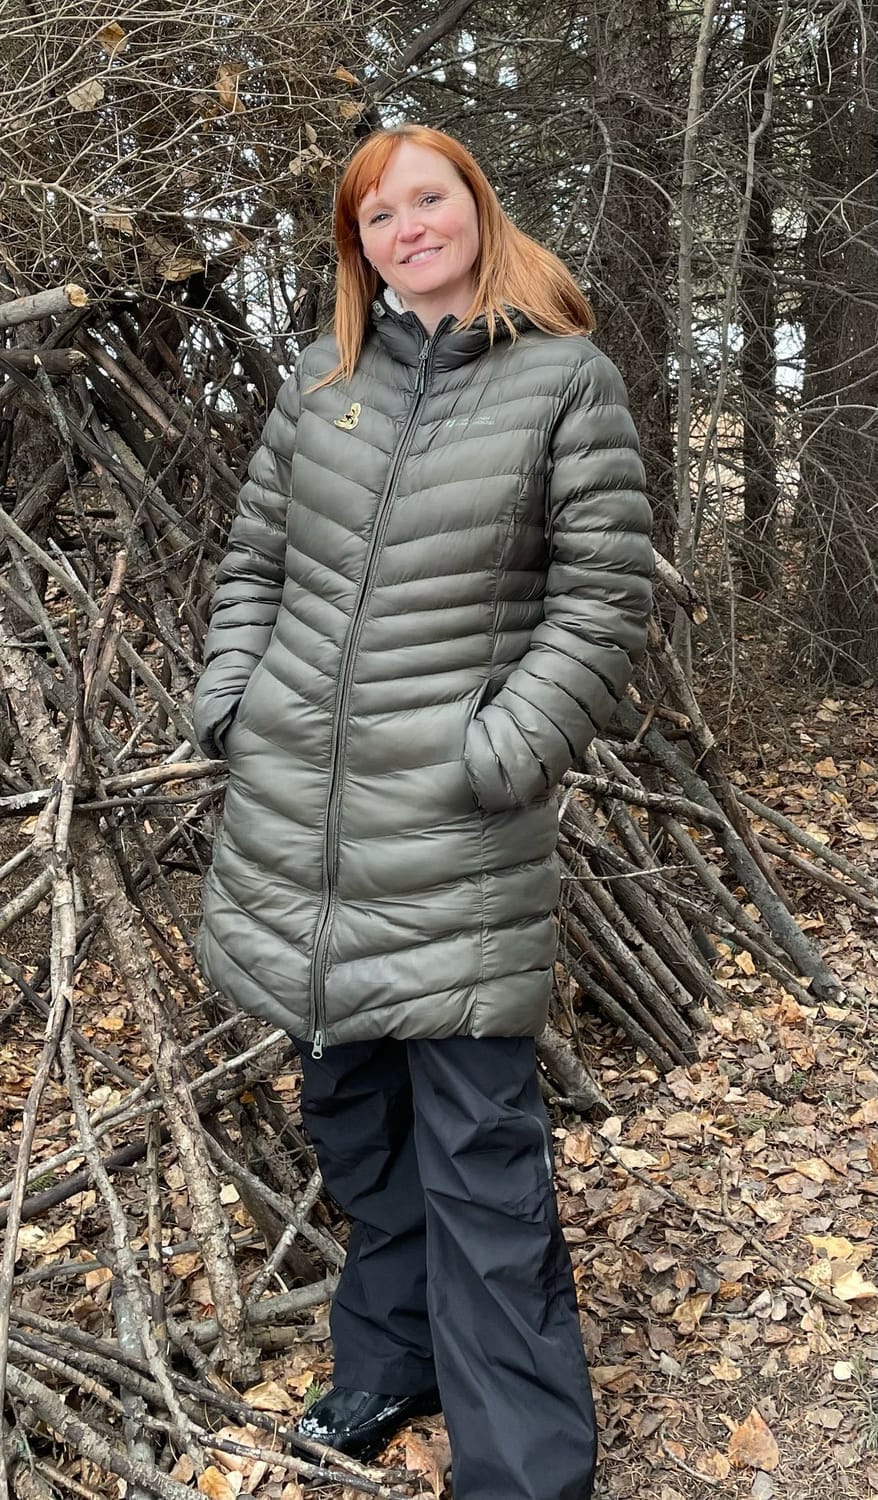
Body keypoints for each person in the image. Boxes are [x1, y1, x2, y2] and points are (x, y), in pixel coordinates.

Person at [193, 124, 653, 1500]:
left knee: (478, 1159)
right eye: (377, 215)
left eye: (428, 198)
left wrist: (500, 752)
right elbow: (254, 562)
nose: (408, 227)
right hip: (300, 839)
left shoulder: (562, 381)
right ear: (359, 247)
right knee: (359, 1131)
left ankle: (522, 1467)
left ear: (475, 206)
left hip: (454, 837)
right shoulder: (323, 383)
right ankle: (395, 1360)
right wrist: (233, 703)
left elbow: (602, 600)